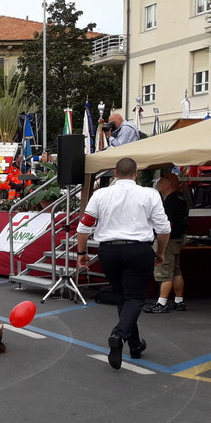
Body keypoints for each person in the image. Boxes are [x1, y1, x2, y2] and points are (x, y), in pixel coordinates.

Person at [76, 157, 170, 369]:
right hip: (138, 249)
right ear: (136, 174)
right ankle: (118, 335)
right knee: (135, 298)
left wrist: (81, 252)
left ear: (115, 174)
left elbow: (84, 227)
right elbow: (164, 229)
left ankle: (135, 345)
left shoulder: (100, 194)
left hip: (109, 250)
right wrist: (160, 252)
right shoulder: (150, 194)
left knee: (123, 297)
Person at [144, 173, 189, 313]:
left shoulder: (170, 201)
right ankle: (179, 300)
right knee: (175, 270)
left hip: (168, 240)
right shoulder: (181, 198)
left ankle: (162, 303)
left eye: (162, 179)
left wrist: (159, 241)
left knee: (165, 272)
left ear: (169, 183)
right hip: (177, 238)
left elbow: (167, 225)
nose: (158, 182)